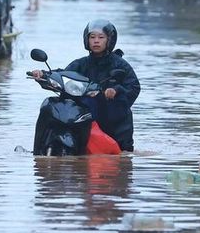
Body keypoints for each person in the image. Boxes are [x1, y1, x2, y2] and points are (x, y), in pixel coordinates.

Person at [32, 20, 141, 151]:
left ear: (109, 40)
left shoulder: (120, 65)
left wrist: (115, 91)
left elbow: (134, 87)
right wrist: (43, 74)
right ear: (86, 39)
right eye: (92, 37)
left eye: (101, 37)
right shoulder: (81, 63)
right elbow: (65, 74)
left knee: (121, 157)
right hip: (84, 114)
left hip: (112, 116)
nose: (96, 41)